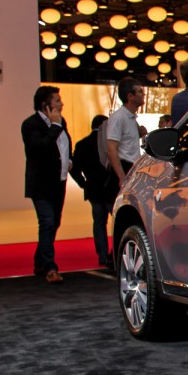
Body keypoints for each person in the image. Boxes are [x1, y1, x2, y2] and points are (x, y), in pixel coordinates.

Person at [21, 85, 72, 284]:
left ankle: (39, 262)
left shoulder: (61, 122)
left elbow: (66, 144)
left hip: (59, 182)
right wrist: (55, 127)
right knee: (48, 222)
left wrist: (71, 160)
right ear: (46, 106)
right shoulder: (30, 125)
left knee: (53, 224)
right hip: (40, 184)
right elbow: (39, 149)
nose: (62, 104)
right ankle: (50, 268)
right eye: (57, 100)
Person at [69, 114, 113, 270]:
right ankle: (113, 255)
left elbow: (73, 168)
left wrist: (83, 184)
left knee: (99, 223)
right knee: (117, 222)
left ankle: (102, 256)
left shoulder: (82, 144)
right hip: (110, 189)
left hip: (93, 190)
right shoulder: (110, 144)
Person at [105, 77, 148, 198]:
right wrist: (121, 176)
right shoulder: (119, 117)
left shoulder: (131, 118)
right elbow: (111, 149)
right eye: (140, 91)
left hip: (132, 168)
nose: (143, 94)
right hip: (124, 168)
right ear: (130, 96)